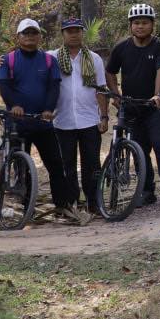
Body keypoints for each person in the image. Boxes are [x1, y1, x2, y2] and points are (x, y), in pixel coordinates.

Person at [0, 19, 86, 224]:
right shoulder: (8, 60)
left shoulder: (48, 60)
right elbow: (4, 86)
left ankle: (62, 206)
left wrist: (48, 109)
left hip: (42, 123)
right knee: (23, 167)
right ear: (18, 37)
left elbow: (54, 87)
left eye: (33, 33)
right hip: (18, 123)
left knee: (56, 165)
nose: (30, 37)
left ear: (39, 36)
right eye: (25, 33)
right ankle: (25, 207)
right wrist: (14, 105)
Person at [106, 3, 160, 206]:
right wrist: (116, 95)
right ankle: (146, 190)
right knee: (139, 149)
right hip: (131, 107)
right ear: (130, 25)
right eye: (136, 23)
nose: (140, 26)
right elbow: (110, 71)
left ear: (152, 25)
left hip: (154, 107)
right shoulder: (121, 47)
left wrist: (158, 95)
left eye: (145, 22)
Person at [51, 18, 109, 216]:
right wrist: (3, 60)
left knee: (91, 164)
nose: (74, 34)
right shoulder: (52, 57)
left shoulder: (94, 58)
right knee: (66, 165)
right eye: (69, 31)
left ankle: (94, 202)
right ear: (63, 34)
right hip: (62, 120)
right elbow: (28, 58)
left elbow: (100, 88)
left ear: (82, 33)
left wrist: (104, 117)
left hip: (89, 120)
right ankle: (71, 203)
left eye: (77, 30)